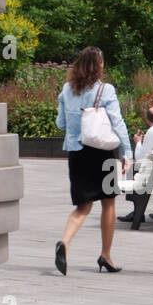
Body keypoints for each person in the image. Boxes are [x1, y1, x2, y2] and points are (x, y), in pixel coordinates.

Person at [55, 47, 132, 275]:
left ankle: (65, 243)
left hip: (77, 153)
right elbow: (117, 123)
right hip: (102, 152)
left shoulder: (66, 90)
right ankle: (105, 255)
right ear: (99, 66)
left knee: (82, 206)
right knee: (108, 203)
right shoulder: (106, 90)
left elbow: (61, 124)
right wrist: (126, 152)